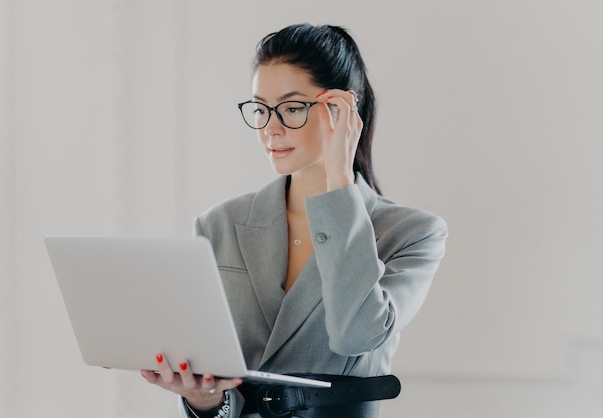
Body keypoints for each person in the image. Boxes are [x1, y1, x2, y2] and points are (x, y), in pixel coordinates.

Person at [141, 23, 447, 418]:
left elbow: (357, 334)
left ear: (342, 109)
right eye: (261, 108)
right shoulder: (219, 224)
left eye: (292, 107)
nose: (271, 127)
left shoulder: (411, 233)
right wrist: (203, 400)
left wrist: (339, 180)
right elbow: (220, 386)